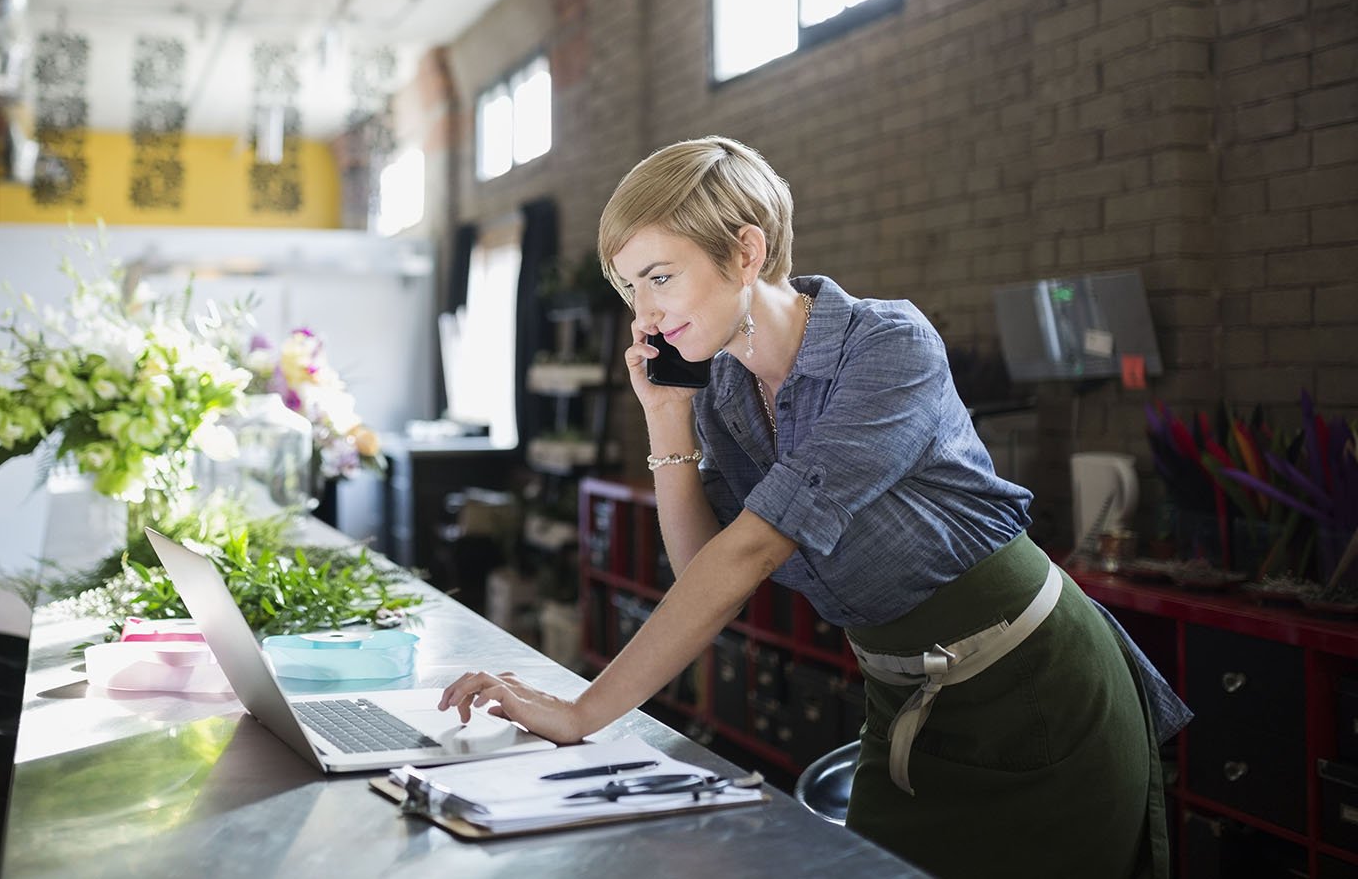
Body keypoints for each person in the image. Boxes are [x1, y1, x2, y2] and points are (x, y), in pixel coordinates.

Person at [438, 137, 1188, 879]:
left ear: (746, 252)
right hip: (903, 702)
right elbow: (704, 574)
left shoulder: (887, 347)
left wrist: (582, 712)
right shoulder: (725, 391)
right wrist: (666, 419)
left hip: (1035, 690)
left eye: (661, 276)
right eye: (630, 287)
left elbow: (753, 551)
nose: (646, 314)